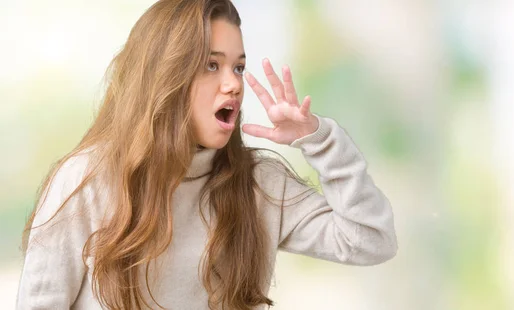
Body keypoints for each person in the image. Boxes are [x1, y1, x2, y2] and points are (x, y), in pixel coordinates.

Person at [16, 0, 398, 309]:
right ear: (165, 75)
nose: (233, 84)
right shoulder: (88, 178)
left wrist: (320, 140)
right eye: (211, 65)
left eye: (239, 67)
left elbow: (371, 239)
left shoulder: (258, 184)